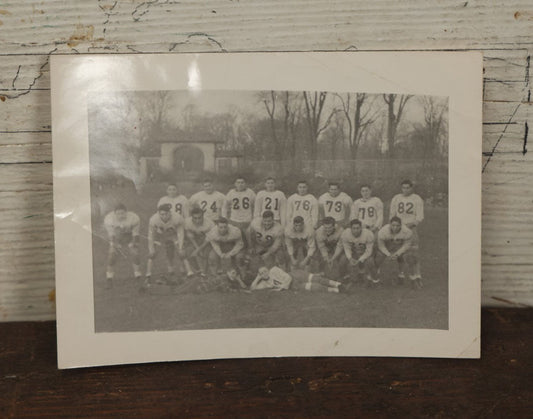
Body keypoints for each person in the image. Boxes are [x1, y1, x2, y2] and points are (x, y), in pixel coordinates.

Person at [389, 179, 424, 283]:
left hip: (411, 229)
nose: (405, 190)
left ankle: (418, 276)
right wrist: (395, 226)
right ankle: (401, 275)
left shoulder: (416, 198)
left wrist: (410, 225)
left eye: (407, 188)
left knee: (414, 254)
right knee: (399, 253)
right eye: (403, 188)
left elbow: (420, 217)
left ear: (411, 188)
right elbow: (392, 215)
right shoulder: (396, 198)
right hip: (398, 229)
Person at [145, 204, 185, 286]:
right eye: (162, 214)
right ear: (158, 213)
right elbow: (151, 235)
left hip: (172, 234)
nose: (164, 216)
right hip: (159, 235)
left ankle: (185, 272)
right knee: (152, 254)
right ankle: (148, 276)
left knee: (180, 252)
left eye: (166, 214)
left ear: (170, 213)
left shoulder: (177, 218)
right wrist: (151, 249)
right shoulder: (153, 219)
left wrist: (180, 247)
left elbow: (180, 233)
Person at [375, 217, 421, 288]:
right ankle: (375, 279)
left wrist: (397, 254)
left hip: (400, 247)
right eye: (393, 225)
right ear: (390, 224)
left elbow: (406, 245)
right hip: (387, 247)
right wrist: (388, 254)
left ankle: (413, 279)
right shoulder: (383, 231)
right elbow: (381, 246)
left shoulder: (407, 231)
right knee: (378, 257)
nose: (395, 227)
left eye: (397, 225)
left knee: (410, 256)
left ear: (401, 225)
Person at [103, 204, 141, 288]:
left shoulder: (134, 218)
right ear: (114, 213)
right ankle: (109, 279)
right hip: (117, 236)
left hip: (129, 235)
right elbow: (111, 235)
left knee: (135, 253)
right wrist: (115, 244)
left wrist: (134, 243)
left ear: (126, 212)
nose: (121, 215)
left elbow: (136, 234)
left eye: (122, 213)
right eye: (118, 213)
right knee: (112, 255)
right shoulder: (109, 219)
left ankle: (138, 276)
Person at [339, 219, 377, 286]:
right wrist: (350, 258)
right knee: (342, 260)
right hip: (353, 252)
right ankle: (345, 277)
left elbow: (369, 251)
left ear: (361, 228)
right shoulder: (345, 234)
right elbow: (347, 248)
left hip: (364, 252)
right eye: (354, 228)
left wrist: (359, 260)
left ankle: (374, 279)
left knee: (370, 261)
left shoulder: (368, 234)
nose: (356, 230)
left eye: (358, 228)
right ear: (350, 228)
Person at [250, 266, 342, 293]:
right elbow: (252, 288)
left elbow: (288, 278)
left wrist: (281, 288)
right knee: (314, 287)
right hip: (293, 286)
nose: (264, 273)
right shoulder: (265, 283)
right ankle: (336, 290)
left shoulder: (274, 270)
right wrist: (257, 278)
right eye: (261, 273)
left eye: (265, 271)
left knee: (317, 279)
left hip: (295, 275)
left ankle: (338, 284)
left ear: (268, 270)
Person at [183, 207, 215, 275]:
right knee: (188, 252)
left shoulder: (210, 223)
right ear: (191, 217)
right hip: (195, 239)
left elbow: (208, 240)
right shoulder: (187, 222)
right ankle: (198, 270)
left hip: (206, 240)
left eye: (199, 218)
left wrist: (198, 250)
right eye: (195, 218)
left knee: (205, 253)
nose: (197, 220)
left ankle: (204, 272)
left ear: (203, 216)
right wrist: (197, 248)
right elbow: (190, 237)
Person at [224, 177, 256, 246]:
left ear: (245, 184)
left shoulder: (250, 192)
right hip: (234, 220)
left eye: (242, 182)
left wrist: (255, 217)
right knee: (235, 239)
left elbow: (256, 205)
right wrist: (224, 217)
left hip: (246, 220)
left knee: (248, 239)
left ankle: (250, 249)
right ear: (235, 184)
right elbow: (225, 206)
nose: (240, 184)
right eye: (238, 182)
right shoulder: (231, 192)